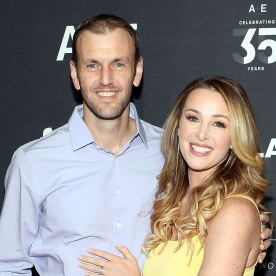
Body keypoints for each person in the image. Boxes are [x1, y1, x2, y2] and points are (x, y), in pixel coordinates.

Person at [0, 14, 271, 275]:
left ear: (137, 70)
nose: (106, 78)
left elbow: (221, 215)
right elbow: (7, 265)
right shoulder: (33, 162)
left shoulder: (172, 152)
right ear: (75, 72)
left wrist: (246, 231)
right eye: (93, 64)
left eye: (118, 63)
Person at [78, 77, 273, 276]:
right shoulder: (172, 201)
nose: (202, 134)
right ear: (179, 126)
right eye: (193, 118)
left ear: (235, 138)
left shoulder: (235, 211)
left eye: (219, 124)